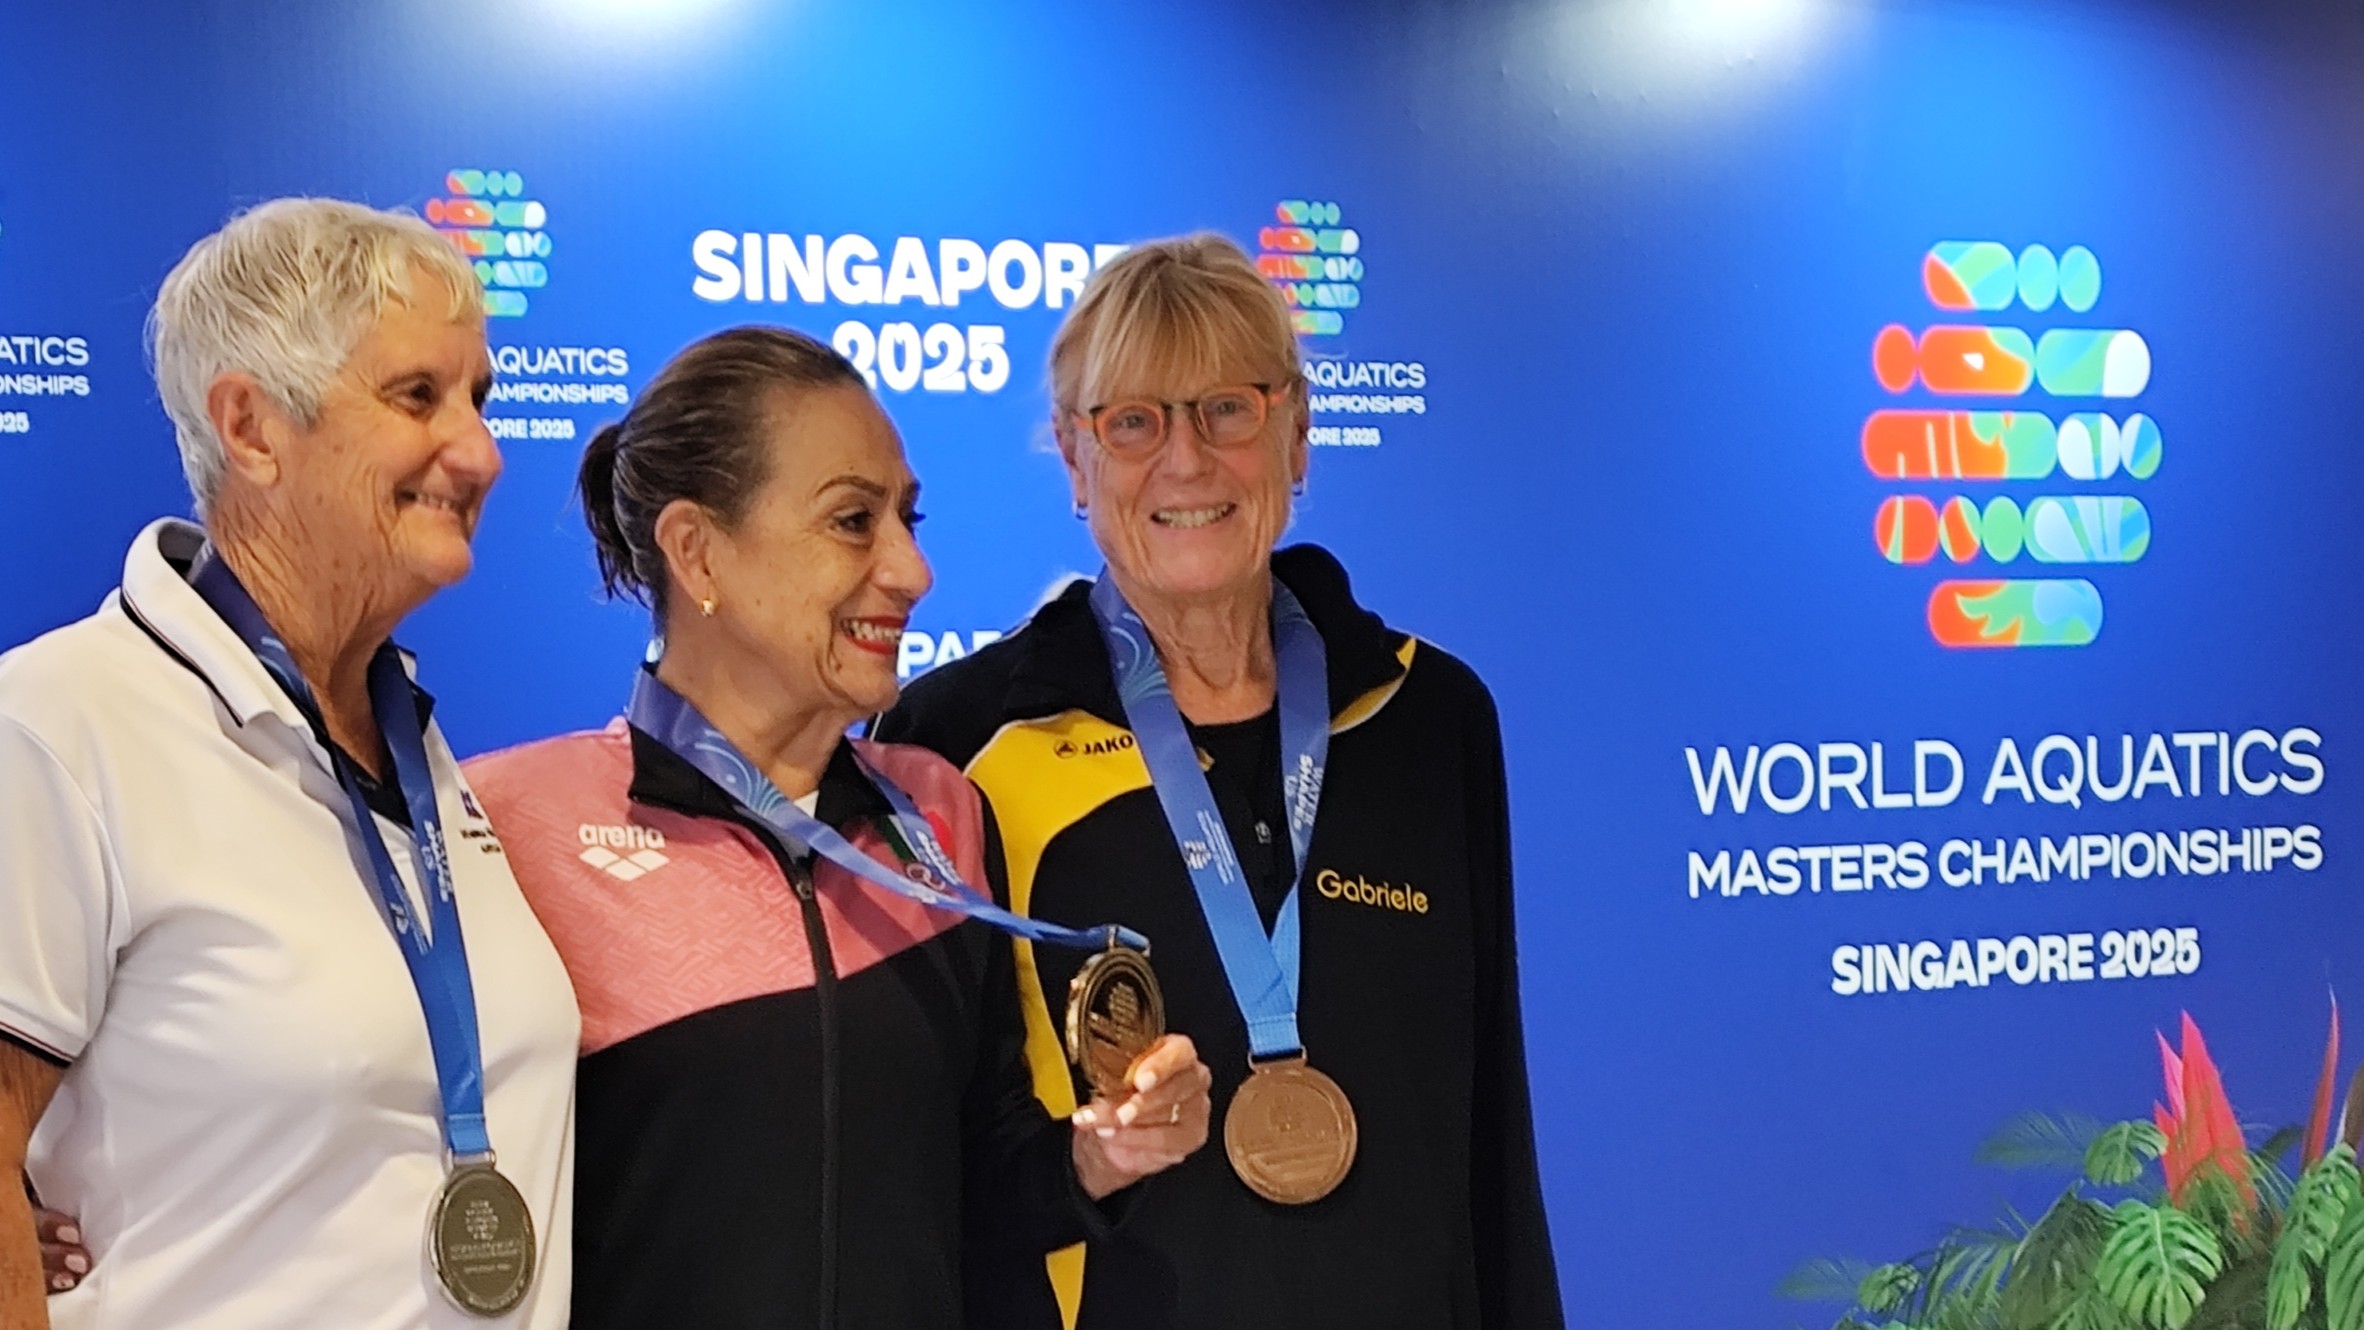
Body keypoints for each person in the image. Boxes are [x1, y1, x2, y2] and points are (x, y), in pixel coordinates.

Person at [456, 325, 1213, 1329]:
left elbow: (980, 1172)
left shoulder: (938, 811)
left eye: (908, 517)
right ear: (698, 551)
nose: (912, 569)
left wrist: (1096, 1153)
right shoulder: (512, 828)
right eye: (854, 520)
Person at [875, 234, 1566, 1327]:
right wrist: (1090, 1159)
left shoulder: (1430, 717)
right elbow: (920, 1165)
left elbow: (1491, 1132)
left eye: (1228, 411)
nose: (1186, 461)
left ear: (1297, 433)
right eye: (1134, 421)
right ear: (1073, 456)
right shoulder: (956, 739)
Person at [0, 199, 578, 1328]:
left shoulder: (406, 734)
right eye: (418, 396)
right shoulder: (59, 725)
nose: (482, 452)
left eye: (482, 397)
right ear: (253, 428)